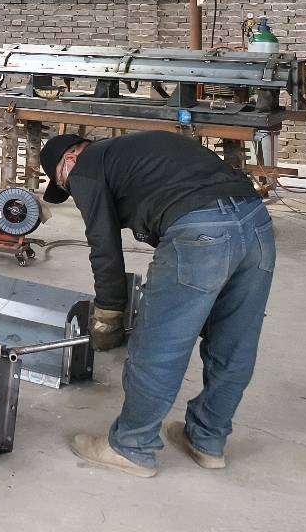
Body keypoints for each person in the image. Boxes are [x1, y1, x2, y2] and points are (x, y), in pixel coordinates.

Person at [40, 130, 276, 477]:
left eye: (64, 183)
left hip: (201, 228)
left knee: (158, 345)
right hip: (256, 225)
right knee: (234, 342)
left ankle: (132, 446)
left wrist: (109, 313)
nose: (72, 191)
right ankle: (207, 440)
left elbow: (104, 245)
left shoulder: (86, 167)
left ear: (71, 159)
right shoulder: (136, 150)